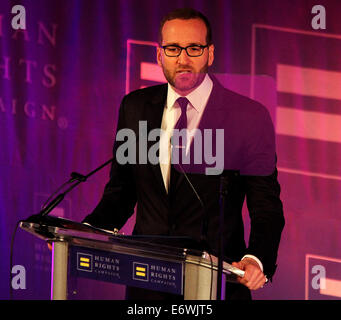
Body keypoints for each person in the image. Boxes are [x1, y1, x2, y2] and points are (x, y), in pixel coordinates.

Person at [83, 8, 285, 300]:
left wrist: (256, 258)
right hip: (147, 284)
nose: (183, 58)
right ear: (160, 55)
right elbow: (121, 192)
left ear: (210, 54)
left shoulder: (249, 117)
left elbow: (266, 206)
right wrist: (87, 233)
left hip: (215, 285)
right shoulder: (135, 107)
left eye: (194, 48)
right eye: (173, 48)